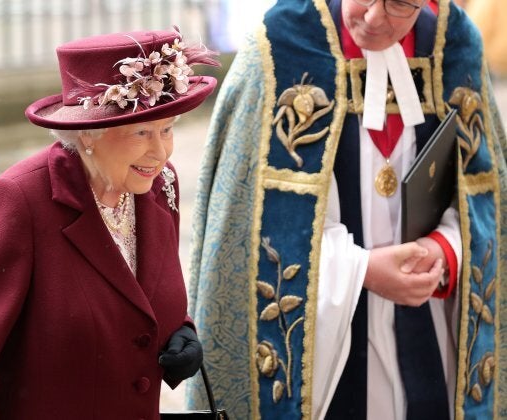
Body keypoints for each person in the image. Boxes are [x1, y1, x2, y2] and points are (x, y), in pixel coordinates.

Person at [186, 0, 506, 419]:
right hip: (322, 350)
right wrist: (362, 271)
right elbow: (247, 223)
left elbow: (484, 192)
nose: (375, 18)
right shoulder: (278, 46)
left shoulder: (455, 44)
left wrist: (446, 249)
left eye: (400, 5)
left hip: (433, 325)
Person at [0, 28, 219, 419]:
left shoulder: (159, 184)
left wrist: (180, 330)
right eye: (141, 132)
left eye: (167, 129)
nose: (160, 151)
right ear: (89, 133)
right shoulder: (18, 201)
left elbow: (144, 297)